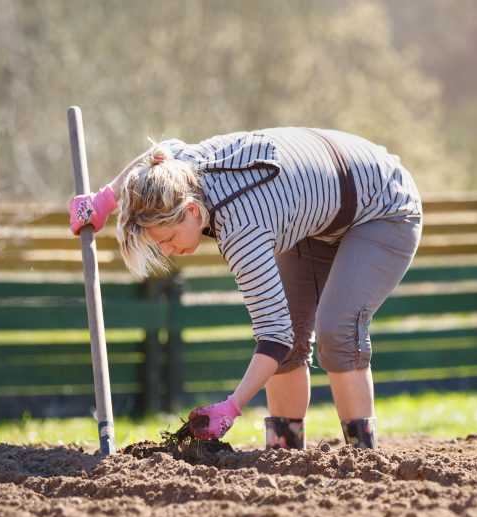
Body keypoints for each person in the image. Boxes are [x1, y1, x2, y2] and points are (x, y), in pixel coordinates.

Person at [69, 127, 422, 449]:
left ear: (192, 210)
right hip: (315, 211)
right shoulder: (176, 170)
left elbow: (274, 337)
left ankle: (362, 456)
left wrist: (231, 407)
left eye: (169, 238)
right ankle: (283, 453)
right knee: (294, 335)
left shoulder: (242, 229)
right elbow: (155, 155)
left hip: (383, 205)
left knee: (337, 330)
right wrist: (105, 200)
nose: (168, 251)